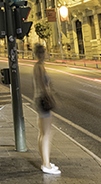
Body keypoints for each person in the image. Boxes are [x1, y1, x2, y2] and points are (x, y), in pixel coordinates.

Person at [33, 42, 59, 175]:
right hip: (43, 101)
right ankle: (46, 164)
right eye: (43, 52)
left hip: (39, 100)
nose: (44, 54)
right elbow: (43, 84)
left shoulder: (38, 66)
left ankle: (45, 161)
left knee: (43, 133)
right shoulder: (39, 67)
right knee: (47, 133)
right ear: (40, 54)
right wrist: (49, 96)